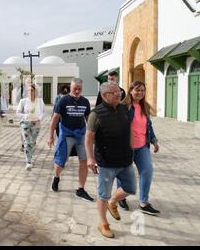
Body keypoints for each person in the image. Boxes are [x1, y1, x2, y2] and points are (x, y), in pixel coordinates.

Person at [85, 82, 136, 239]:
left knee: (130, 188)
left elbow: (130, 130)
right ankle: (103, 223)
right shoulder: (96, 114)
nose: (119, 94)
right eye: (115, 93)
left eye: (119, 92)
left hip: (126, 160)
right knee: (103, 194)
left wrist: (132, 148)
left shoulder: (124, 109)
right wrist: (90, 158)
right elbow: (88, 137)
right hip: (106, 163)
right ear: (105, 95)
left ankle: (113, 202)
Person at [117, 81, 160, 215]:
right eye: (137, 90)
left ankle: (143, 202)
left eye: (142, 90)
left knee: (147, 171)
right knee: (124, 174)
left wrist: (154, 140)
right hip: (127, 147)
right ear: (130, 91)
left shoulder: (144, 106)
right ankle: (121, 198)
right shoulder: (124, 107)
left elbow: (149, 126)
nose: (140, 93)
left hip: (142, 146)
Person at [48, 78, 94, 201]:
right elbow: (54, 119)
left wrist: (92, 136)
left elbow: (88, 119)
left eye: (79, 89)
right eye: (75, 88)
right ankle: (56, 177)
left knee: (84, 160)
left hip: (81, 134)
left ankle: (80, 189)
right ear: (70, 87)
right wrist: (51, 136)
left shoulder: (85, 102)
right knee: (60, 161)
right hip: (66, 134)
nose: (77, 91)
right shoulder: (63, 101)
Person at [16, 85, 45, 170]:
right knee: (27, 142)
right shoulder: (23, 101)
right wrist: (25, 116)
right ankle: (28, 162)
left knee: (33, 142)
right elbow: (18, 113)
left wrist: (39, 118)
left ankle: (31, 156)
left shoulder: (39, 101)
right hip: (25, 124)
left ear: (35, 91)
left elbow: (43, 112)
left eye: (31, 90)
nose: (30, 92)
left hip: (36, 124)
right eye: (28, 90)